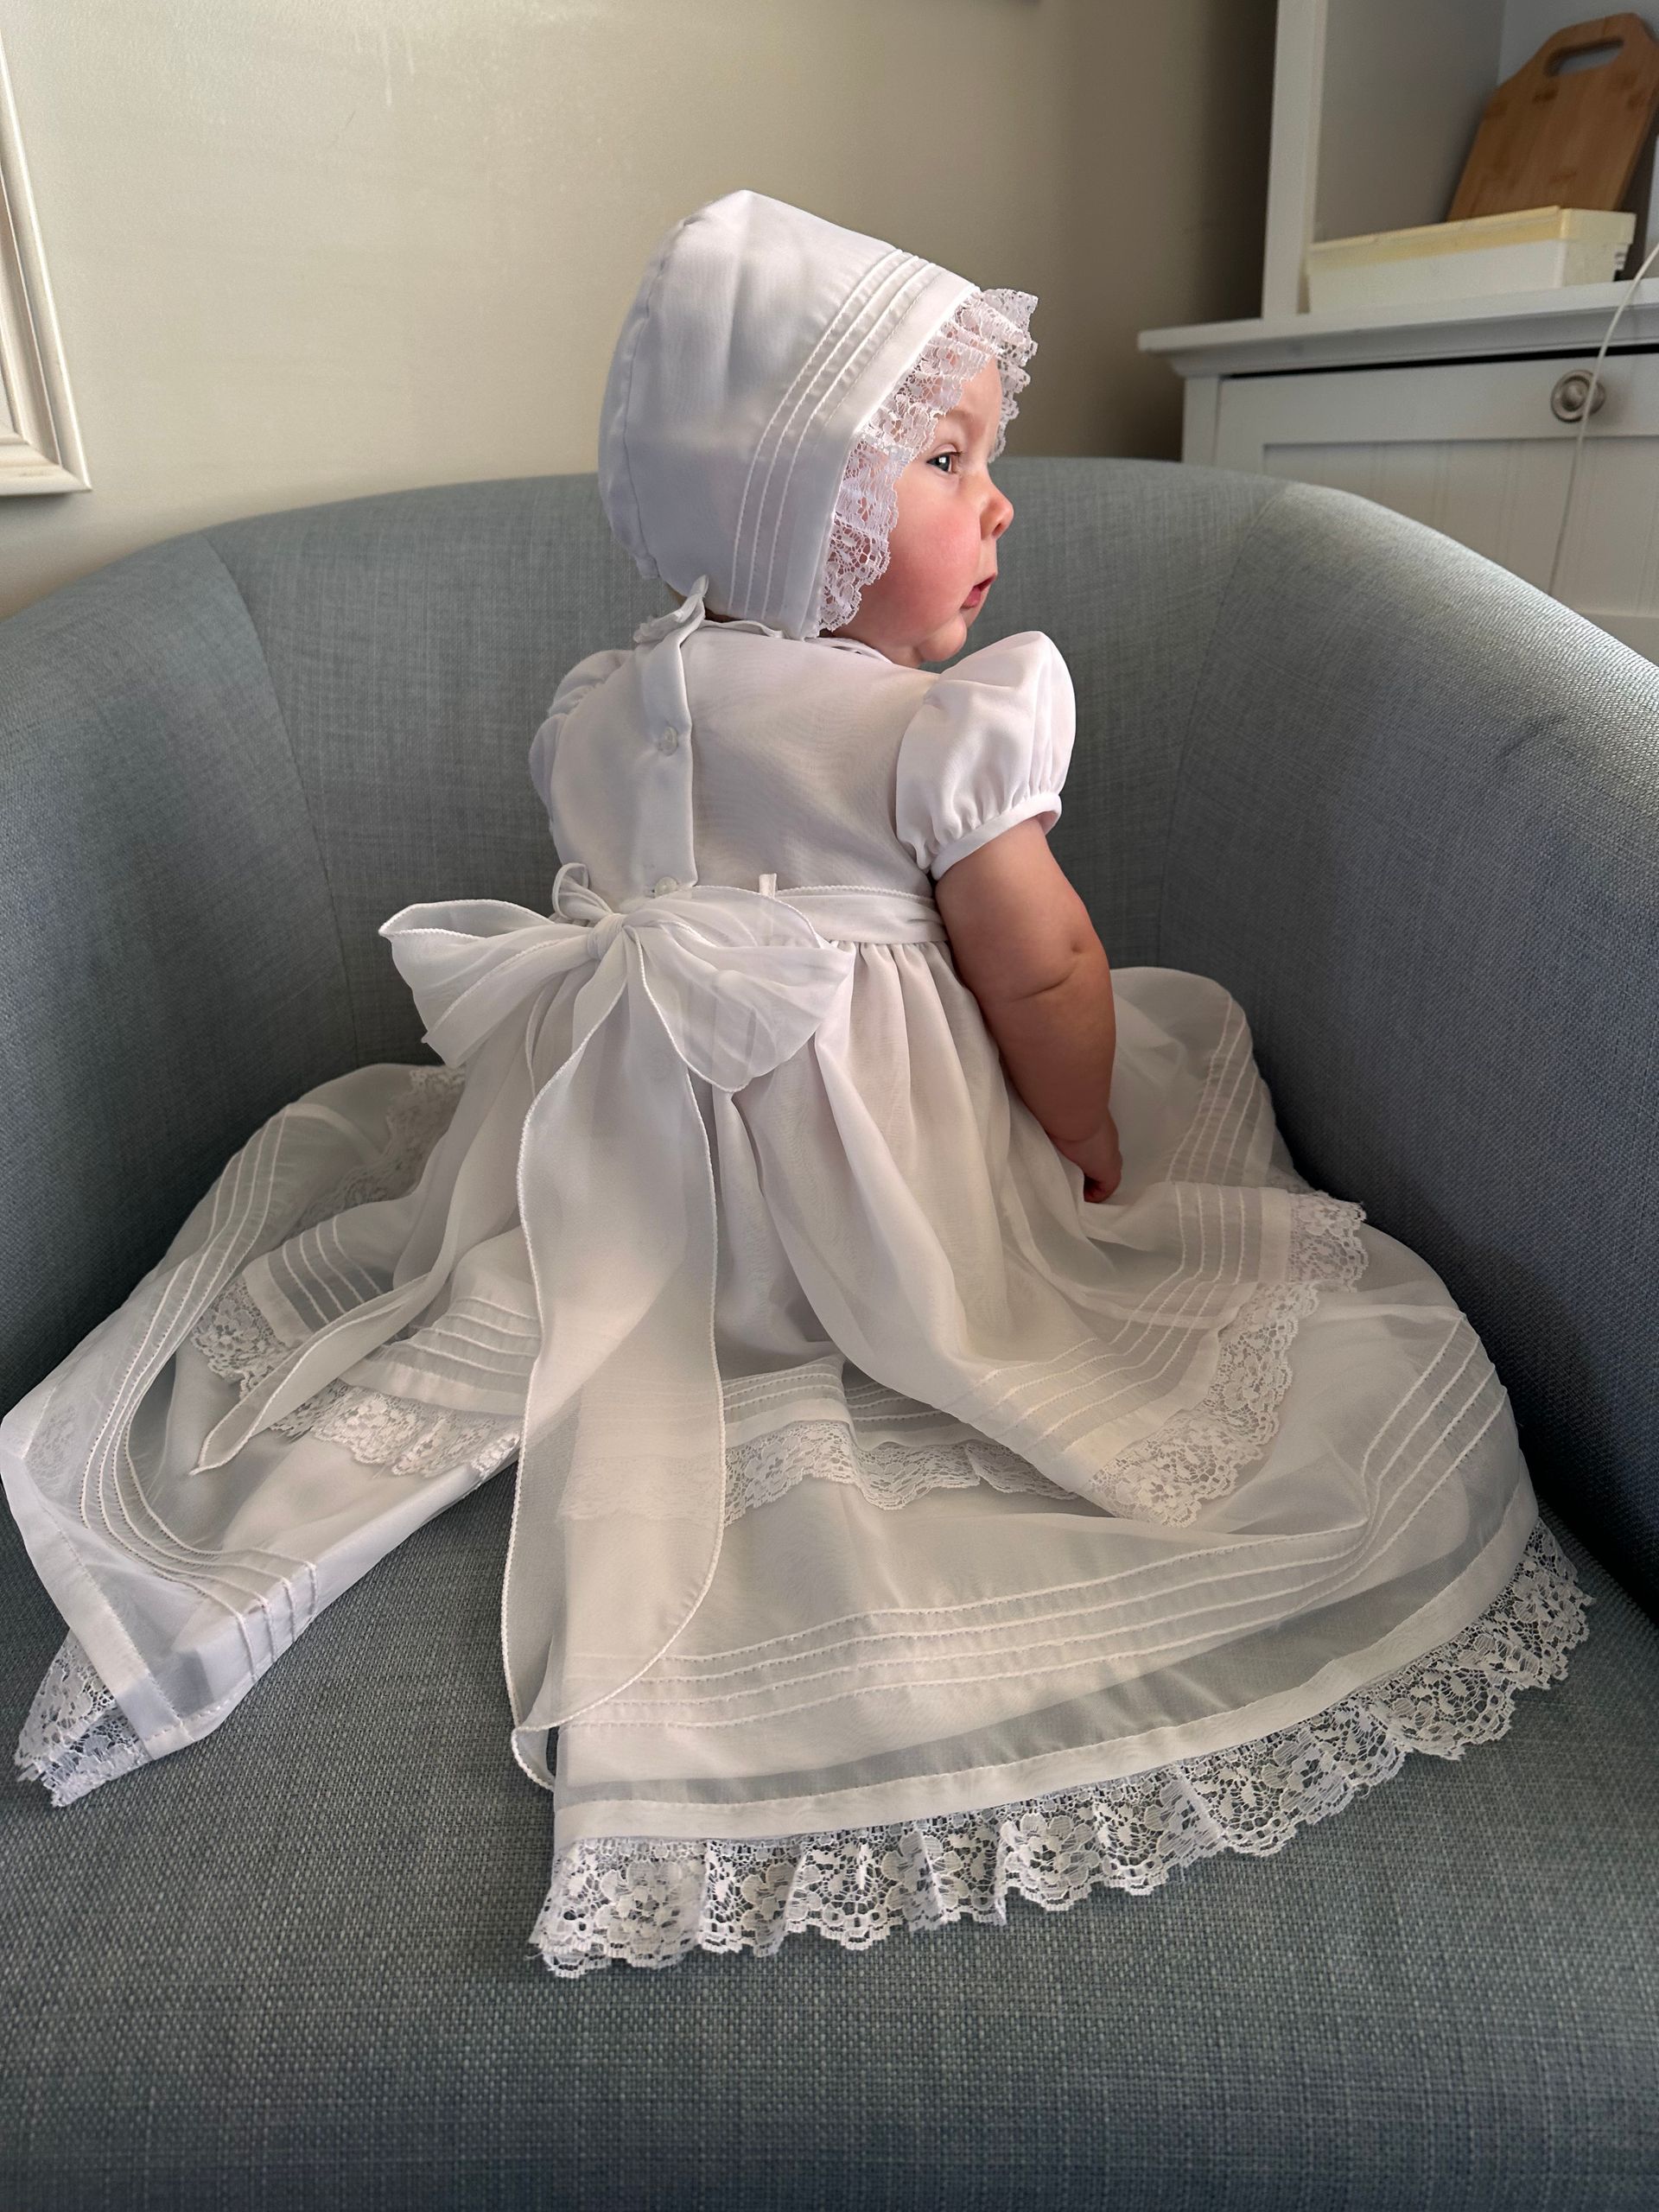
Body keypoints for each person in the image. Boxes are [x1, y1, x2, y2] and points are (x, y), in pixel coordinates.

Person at [3, 191, 1591, 1979]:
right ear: (809, 508)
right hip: (866, 1189)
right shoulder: (933, 727)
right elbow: (1048, 965)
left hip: (615, 1164)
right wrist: (1081, 1124)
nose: (1000, 500)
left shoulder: (604, 701)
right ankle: (926, 1292)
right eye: (942, 457)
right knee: (1138, 1137)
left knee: (497, 1233)